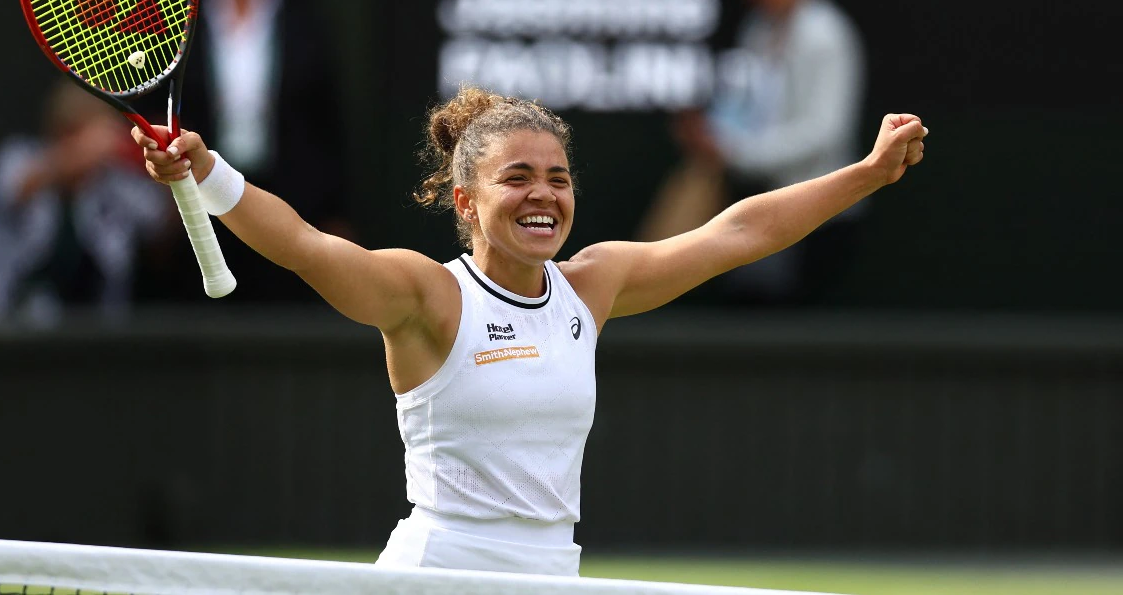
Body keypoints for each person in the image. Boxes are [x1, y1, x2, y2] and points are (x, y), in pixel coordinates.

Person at [131, 86, 926, 575]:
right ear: (466, 201)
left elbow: (737, 233)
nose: (542, 194)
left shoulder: (592, 286)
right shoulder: (427, 296)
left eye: (556, 177)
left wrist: (863, 173)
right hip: (439, 574)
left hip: (551, 572)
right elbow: (306, 244)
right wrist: (208, 172)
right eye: (516, 177)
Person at [638, 0, 865, 305]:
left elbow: (825, 133)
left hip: (821, 219)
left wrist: (734, 150)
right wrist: (712, 135)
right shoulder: (760, 28)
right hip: (767, 209)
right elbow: (745, 111)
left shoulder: (825, 33)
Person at [168, 0, 351, 302]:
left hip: (292, 199)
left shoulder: (306, 24)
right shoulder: (183, 25)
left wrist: (336, 212)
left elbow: (329, 124)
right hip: (199, 202)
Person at [0, 82, 168, 330]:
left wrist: (157, 162)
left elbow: (161, 223)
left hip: (96, 333)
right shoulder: (17, 156)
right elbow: (17, 188)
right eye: (80, 133)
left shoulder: (112, 180)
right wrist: (81, 152)